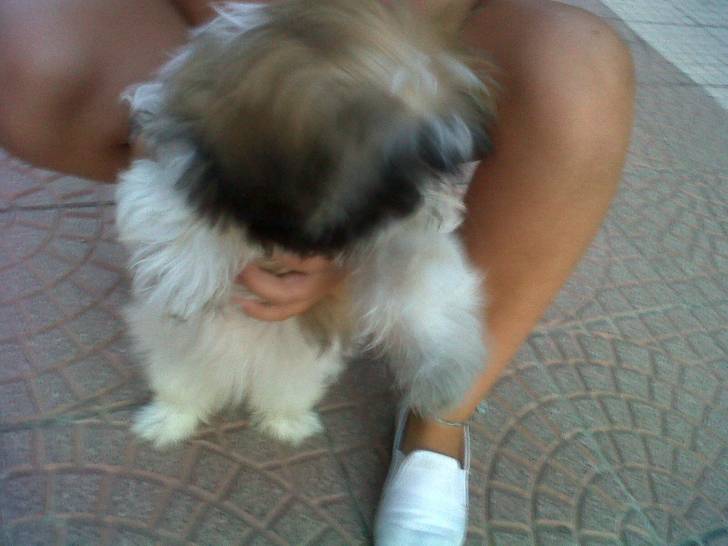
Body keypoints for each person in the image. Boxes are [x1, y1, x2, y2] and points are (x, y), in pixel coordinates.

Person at [0, 0, 635, 542]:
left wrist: (368, 244)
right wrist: (185, 160)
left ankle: (439, 420)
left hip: (422, 22)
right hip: (237, 37)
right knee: (31, 54)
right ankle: (208, 197)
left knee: (580, 72)